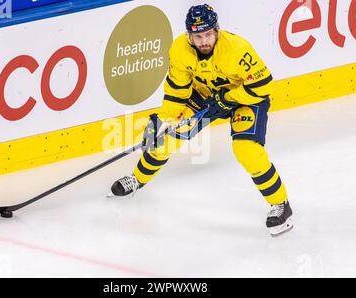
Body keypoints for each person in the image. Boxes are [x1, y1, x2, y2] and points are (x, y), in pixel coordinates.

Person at [109, 4, 293, 237]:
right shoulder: (179, 50)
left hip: (244, 98)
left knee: (246, 149)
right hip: (205, 97)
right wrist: (162, 121)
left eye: (208, 34)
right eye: (198, 36)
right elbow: (177, 93)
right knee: (165, 141)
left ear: (217, 30)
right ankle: (137, 180)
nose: (204, 41)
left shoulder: (237, 49)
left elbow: (263, 86)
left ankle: (281, 205)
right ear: (189, 36)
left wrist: (228, 98)